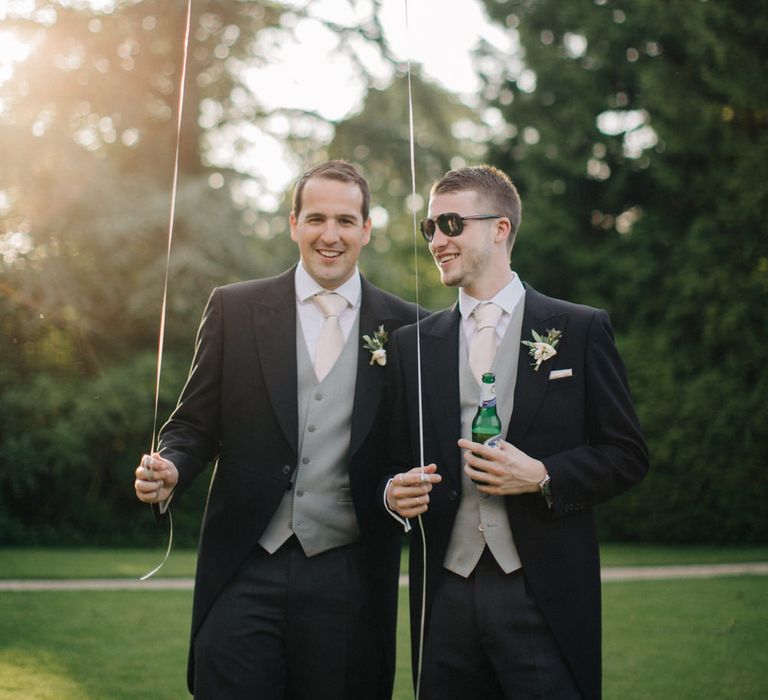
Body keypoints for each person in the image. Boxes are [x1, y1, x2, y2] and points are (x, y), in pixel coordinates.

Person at [134, 160, 423, 699]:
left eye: (344, 220)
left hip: (350, 573)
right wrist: (172, 464)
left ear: (366, 229)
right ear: (293, 224)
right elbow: (194, 423)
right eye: (315, 218)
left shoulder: (407, 325)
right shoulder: (235, 309)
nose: (329, 235)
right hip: (245, 563)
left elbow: (413, 449)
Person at [382, 164, 649, 699]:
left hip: (542, 589)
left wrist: (545, 475)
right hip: (445, 593)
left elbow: (626, 455)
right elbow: (386, 459)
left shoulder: (579, 329)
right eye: (430, 227)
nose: (438, 239)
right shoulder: (414, 344)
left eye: (451, 224)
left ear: (500, 229)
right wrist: (392, 492)